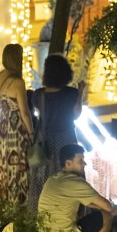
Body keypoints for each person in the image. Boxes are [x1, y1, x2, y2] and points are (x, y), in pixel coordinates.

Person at [37, 144, 117, 232]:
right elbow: (107, 207)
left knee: (97, 215)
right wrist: (113, 210)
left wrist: (100, 206)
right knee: (106, 217)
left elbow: (88, 202)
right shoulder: (76, 183)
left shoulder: (52, 179)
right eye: (80, 161)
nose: (84, 164)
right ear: (68, 163)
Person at [27, 55, 84, 206]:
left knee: (44, 177)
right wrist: (81, 92)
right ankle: (68, 207)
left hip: (45, 142)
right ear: (65, 72)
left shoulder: (38, 94)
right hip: (66, 140)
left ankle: (41, 209)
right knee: (68, 174)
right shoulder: (71, 93)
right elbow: (76, 115)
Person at [0, 44, 33, 206]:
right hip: (15, 131)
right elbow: (25, 112)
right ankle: (17, 204)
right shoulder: (18, 82)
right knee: (17, 167)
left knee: (1, 165)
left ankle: (1, 203)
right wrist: (31, 133)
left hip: (0, 128)